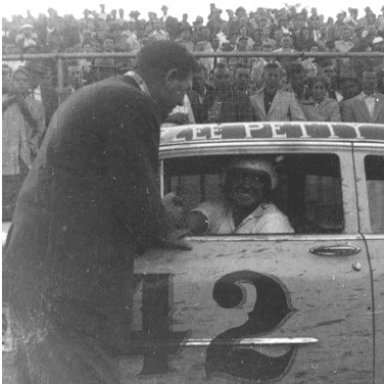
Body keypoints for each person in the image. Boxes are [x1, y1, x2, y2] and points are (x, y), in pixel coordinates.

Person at [3, 40, 197, 384]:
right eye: (183, 88)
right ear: (170, 77)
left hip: (39, 271)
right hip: (66, 286)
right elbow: (138, 206)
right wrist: (165, 216)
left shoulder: (100, 93)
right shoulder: (131, 103)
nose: (182, 100)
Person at [186, 157, 294, 235]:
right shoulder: (220, 208)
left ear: (266, 187)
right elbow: (195, 221)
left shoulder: (273, 221)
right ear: (227, 181)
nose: (246, 185)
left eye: (256, 179)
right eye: (239, 176)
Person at [2, 67, 46, 221]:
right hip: (5, 154)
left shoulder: (36, 104)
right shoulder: (4, 102)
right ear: (11, 82)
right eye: (17, 80)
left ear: (29, 83)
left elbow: (39, 128)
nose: (21, 84)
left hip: (25, 154)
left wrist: (32, 147)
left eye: (24, 81)